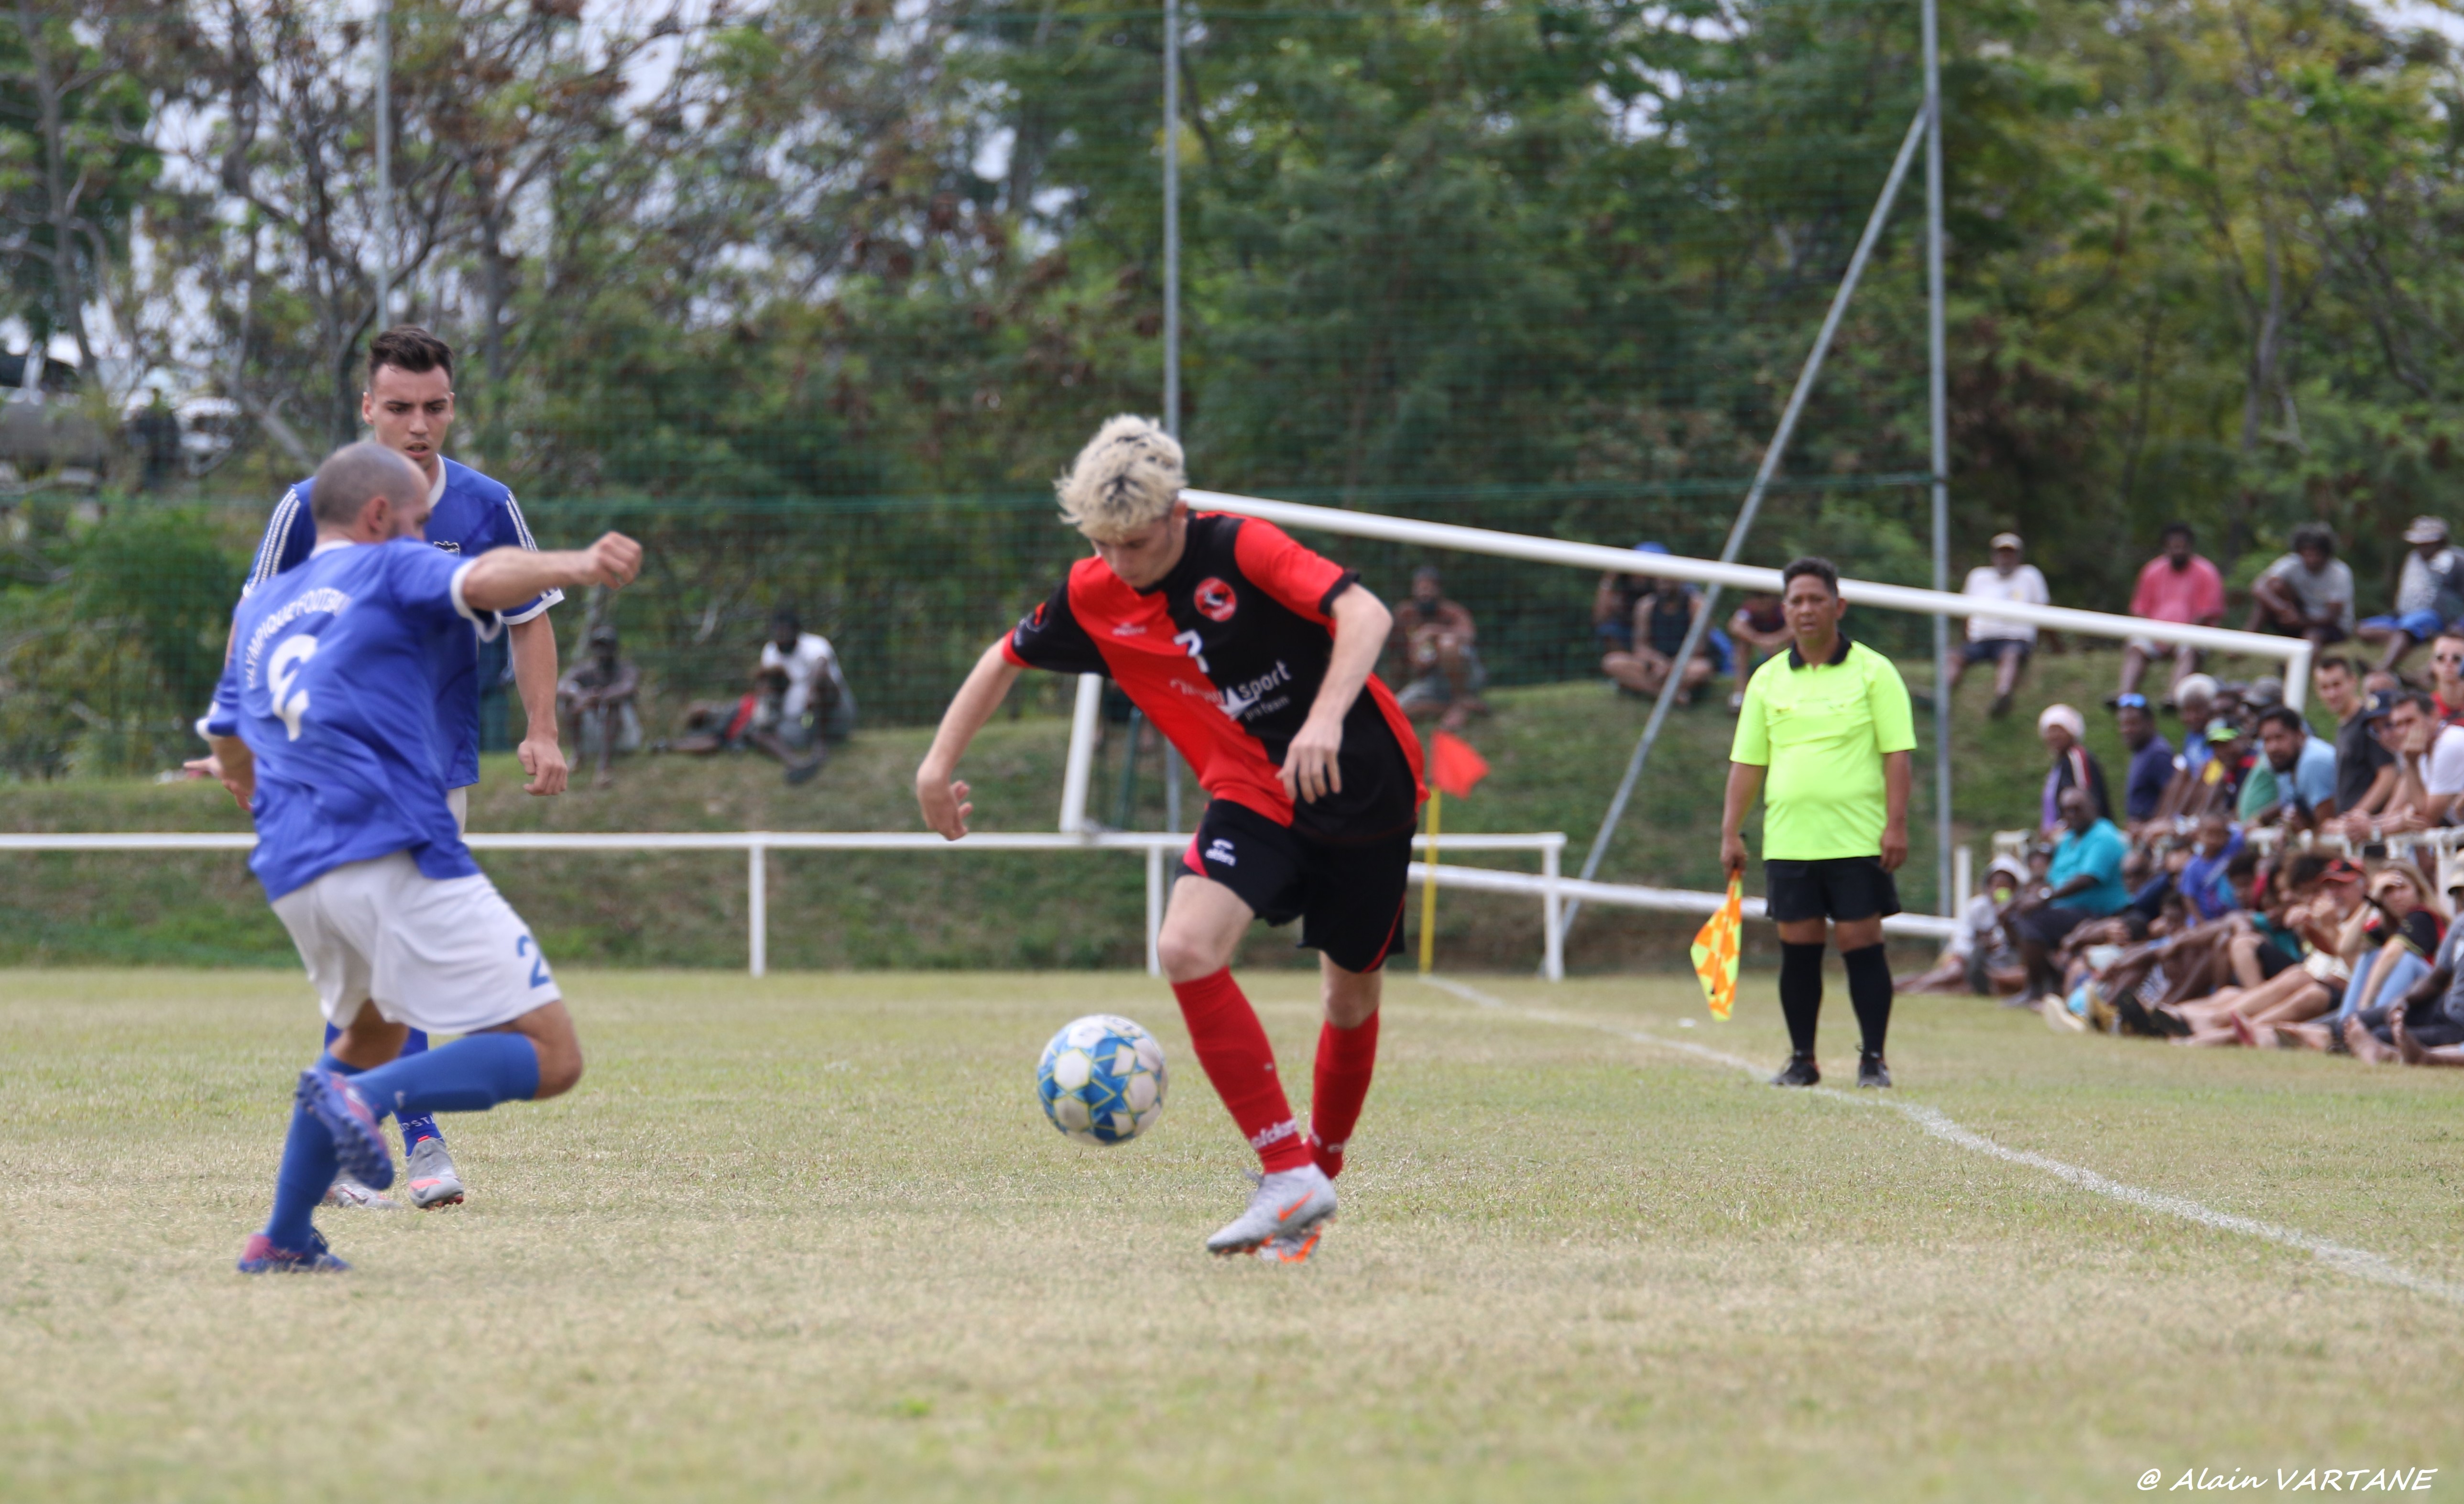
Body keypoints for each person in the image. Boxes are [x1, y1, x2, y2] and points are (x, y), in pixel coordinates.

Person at [915, 415, 1423, 1261]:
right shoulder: (1093, 592)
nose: (1120, 563)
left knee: (1348, 998)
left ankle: (1314, 1187)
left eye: (1137, 544)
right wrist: (936, 767)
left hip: (1361, 786)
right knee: (1184, 946)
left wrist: (1324, 718)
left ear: (1176, 512)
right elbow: (1003, 657)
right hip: (1250, 795)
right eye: (1102, 545)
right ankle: (1286, 1171)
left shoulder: (1240, 547)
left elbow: (1364, 614)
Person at [197, 442, 640, 1272]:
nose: (423, 535)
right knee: (553, 1056)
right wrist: (578, 564)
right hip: (394, 850)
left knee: (369, 1031)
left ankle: (284, 1236)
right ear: (377, 517)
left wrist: (249, 778)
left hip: (297, 870)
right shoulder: (386, 565)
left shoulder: (265, 607)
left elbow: (228, 740)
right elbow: (484, 579)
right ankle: (364, 1101)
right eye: (416, 521)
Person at [198, 326, 566, 1214]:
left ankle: (329, 1164)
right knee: (391, 965)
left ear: (453, 408)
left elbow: (529, 617)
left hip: (433, 767)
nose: (418, 424)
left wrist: (543, 728)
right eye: (399, 407)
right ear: (368, 408)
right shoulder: (310, 506)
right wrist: (241, 746)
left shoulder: (485, 504)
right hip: (326, 777)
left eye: (434, 407)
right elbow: (252, 624)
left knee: (382, 977)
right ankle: (418, 1139)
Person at [1720, 556, 1915, 1089]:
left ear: (1838, 606)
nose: (1806, 609)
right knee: (1799, 949)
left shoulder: (1874, 671)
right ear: (1785, 610)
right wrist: (1731, 829)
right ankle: (1802, 1059)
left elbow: (1897, 754)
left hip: (1857, 837)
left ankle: (1873, 1059)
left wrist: (1896, 824)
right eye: (1797, 601)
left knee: (1861, 943)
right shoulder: (1766, 679)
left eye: (1816, 599)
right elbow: (1748, 762)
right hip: (1790, 839)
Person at [2009, 787, 2131, 1003]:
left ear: (2094, 807)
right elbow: (2053, 879)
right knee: (2016, 912)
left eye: (2078, 809)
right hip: (2066, 909)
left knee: (2032, 919)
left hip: (2100, 913)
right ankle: (2051, 981)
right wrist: (2027, 898)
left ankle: (2035, 989)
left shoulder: (2104, 837)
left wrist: (2044, 898)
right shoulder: (2068, 840)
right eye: (2067, 810)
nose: (2072, 815)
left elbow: (2087, 879)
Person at [1597, 543, 1722, 704]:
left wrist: (1671, 666)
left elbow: (1699, 648)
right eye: (1662, 579)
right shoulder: (1646, 606)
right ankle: (1667, 696)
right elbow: (1641, 647)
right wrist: (1657, 662)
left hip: (1685, 664)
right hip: (1654, 665)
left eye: (1670, 579)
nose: (1665, 583)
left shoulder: (1696, 604)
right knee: (1613, 663)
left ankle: (1644, 688)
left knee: (1701, 669)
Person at [2119, 522, 2226, 699]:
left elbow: (2206, 614)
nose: (2179, 551)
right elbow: (2139, 610)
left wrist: (2176, 637)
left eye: (2183, 546)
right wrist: (2158, 636)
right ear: (2166, 547)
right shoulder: (2152, 571)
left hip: (2191, 635)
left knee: (2190, 648)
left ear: (2190, 547)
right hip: (2154, 635)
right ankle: (2125, 696)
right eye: (2174, 547)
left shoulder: (2206, 572)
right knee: (2136, 646)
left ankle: (2173, 697)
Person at [1895, 855, 2026, 997]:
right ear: (1988, 885)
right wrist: (1977, 952)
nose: (1999, 889)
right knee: (1954, 973)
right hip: (1967, 960)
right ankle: (1909, 988)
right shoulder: (1976, 907)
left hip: (1999, 967)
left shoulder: (2021, 911)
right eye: (1995, 884)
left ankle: (1914, 990)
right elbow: (1962, 940)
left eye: (2005, 886)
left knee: (1967, 986)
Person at [1952, 532, 2049, 718]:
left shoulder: (2030, 576)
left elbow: (2044, 612)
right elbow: (1966, 613)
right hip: (1981, 639)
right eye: (2002, 553)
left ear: (2018, 556)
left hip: (2014, 639)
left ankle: (2003, 696)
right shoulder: (1978, 577)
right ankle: (1941, 694)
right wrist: (1965, 640)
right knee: (1954, 656)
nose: (2005, 558)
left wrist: (2054, 646)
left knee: (2010, 656)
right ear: (1994, 556)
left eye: (2010, 554)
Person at [2355, 517, 2464, 673]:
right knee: (2364, 629)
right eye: (2419, 544)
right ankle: (2413, 638)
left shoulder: (2454, 561)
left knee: (2408, 627)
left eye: (2427, 544)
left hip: (2433, 616)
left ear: (2441, 542)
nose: (2422, 548)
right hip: (2403, 614)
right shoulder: (2414, 558)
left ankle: (2383, 668)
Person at [1389, 565, 1486, 730]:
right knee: (1395, 711)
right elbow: (1397, 656)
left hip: (1465, 676)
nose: (1424, 593)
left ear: (1439, 590)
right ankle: (1458, 707)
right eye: (1420, 588)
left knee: (1448, 644)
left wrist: (1433, 632)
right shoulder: (1405, 614)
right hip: (1432, 681)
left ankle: (1460, 702)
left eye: (1429, 588)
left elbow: (1469, 635)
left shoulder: (1453, 612)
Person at [2314, 658, 2398, 829]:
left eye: (2337, 685)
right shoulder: (2344, 724)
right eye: (2325, 688)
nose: (2332, 694)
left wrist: (2352, 819)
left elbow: (2388, 775)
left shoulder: (2368, 721)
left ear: (2353, 681)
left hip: (2370, 832)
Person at [556, 624, 643, 789]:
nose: (603, 652)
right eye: (598, 646)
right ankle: (578, 756)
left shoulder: (626, 669)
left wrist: (600, 697)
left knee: (613, 703)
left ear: (615, 648)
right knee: (569, 702)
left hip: (624, 737)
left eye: (607, 646)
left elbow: (628, 688)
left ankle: (605, 766)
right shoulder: (584, 670)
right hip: (594, 735)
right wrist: (580, 696)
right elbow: (562, 686)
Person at [760, 609, 857, 752]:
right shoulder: (770, 651)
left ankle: (821, 742)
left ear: (796, 632)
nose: (781, 639)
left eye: (785, 633)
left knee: (822, 683)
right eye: (777, 633)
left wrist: (811, 693)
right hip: (800, 719)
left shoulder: (815, 644)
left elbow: (821, 664)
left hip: (835, 714)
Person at [2246, 523, 2355, 645]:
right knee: (2274, 588)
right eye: (2307, 554)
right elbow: (2259, 587)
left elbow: (2332, 617)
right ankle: (2244, 642)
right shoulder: (2292, 563)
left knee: (2312, 636)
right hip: (2299, 615)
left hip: (2330, 626)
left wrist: (2300, 621)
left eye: (2317, 554)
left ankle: (2304, 657)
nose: (2311, 559)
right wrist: (2283, 609)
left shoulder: (2339, 573)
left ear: (2327, 554)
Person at [2239, 705, 2338, 825]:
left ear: (2300, 735)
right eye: (2267, 740)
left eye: (2279, 738)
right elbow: (2287, 804)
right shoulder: (2283, 762)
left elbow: (2327, 825)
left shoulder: (2314, 762)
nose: (2273, 747)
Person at [2037, 704, 2111, 834]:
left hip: (2087, 835)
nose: (2054, 736)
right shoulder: (2060, 764)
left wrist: (2063, 827)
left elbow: (2085, 797)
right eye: (2050, 731)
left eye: (2059, 730)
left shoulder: (2077, 758)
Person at [1724, 591, 1793, 714]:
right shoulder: (1748, 610)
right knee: (1742, 646)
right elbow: (1735, 626)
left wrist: (1775, 640)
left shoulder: (1782, 610)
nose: (1761, 602)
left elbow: (1794, 628)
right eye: (1757, 598)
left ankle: (1786, 689)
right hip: (1756, 643)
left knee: (1793, 644)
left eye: (1765, 597)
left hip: (1780, 643)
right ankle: (1740, 693)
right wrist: (1759, 640)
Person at [2115, 693, 2173, 826]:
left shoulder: (2158, 754)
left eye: (2133, 724)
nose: (2127, 730)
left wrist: (2152, 827)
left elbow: (2172, 797)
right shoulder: (2141, 750)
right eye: (2123, 725)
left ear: (2150, 722)